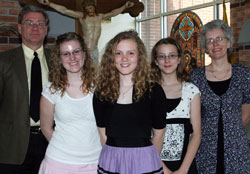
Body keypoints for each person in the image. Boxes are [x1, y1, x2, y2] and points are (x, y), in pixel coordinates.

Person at [93, 30, 166, 174]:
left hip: (145, 160)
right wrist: (113, 159)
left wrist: (149, 160)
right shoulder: (102, 92)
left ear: (139, 56)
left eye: (130, 53)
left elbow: (159, 133)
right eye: (118, 53)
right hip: (112, 160)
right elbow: (103, 134)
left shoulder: (154, 90)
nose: (124, 59)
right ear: (111, 58)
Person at [191, 19, 250, 174]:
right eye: (210, 41)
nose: (215, 44)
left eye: (219, 39)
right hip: (205, 150)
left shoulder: (243, 74)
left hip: (237, 150)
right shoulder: (195, 77)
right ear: (205, 48)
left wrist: (229, 131)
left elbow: (246, 113)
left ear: (229, 43)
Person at [38, 32, 102, 174]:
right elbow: (45, 128)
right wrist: (68, 151)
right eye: (66, 54)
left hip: (96, 162)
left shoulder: (100, 87)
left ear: (84, 53)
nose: (72, 58)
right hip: (59, 163)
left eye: (76, 51)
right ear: (59, 59)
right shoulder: (51, 91)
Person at [0, 5, 50, 174]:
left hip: (52, 144)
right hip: (12, 146)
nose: (35, 27)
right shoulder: (4, 61)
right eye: (29, 23)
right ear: (20, 28)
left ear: (46, 29)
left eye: (40, 23)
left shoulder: (59, 61)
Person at [151, 37, 201, 174]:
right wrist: (164, 169)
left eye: (172, 56)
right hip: (153, 165)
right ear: (156, 61)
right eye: (162, 56)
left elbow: (196, 134)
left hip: (185, 167)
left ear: (179, 59)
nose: (167, 61)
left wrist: (183, 170)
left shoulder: (191, 91)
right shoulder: (148, 92)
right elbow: (145, 136)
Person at [37, 0, 134, 65]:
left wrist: (125, 6)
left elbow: (113, 13)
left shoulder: (99, 16)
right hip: (85, 49)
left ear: (94, 7)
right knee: (84, 72)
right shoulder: (82, 16)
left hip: (95, 49)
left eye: (90, 8)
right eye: (87, 9)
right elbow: (65, 10)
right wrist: (49, 3)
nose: (89, 10)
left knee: (95, 73)